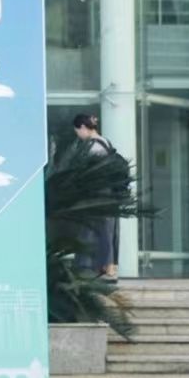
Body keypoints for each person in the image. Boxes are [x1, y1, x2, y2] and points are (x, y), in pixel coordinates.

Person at [72, 113, 120, 279]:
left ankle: (94, 267)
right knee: (106, 230)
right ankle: (107, 267)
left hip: (97, 193)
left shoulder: (92, 147)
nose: (78, 135)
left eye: (77, 131)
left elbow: (88, 173)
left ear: (83, 127)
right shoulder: (105, 142)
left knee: (95, 230)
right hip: (108, 193)